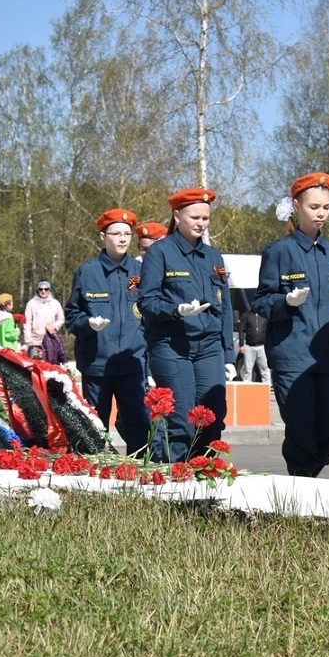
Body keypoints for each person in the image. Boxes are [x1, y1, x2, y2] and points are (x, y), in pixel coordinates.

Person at [253, 172, 329, 478]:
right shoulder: (279, 251)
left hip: (328, 358)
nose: (321, 212)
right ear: (297, 206)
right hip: (293, 358)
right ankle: (301, 494)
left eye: (326, 206)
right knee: (301, 436)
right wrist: (285, 303)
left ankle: (306, 477)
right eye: (314, 206)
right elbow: (261, 301)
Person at [138, 188, 235, 462]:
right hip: (172, 345)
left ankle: (202, 474)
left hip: (209, 347)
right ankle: (172, 479)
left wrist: (228, 354)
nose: (201, 223)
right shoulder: (160, 253)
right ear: (177, 216)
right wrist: (176, 310)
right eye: (195, 217)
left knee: (211, 417)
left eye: (205, 218)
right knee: (181, 419)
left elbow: (224, 307)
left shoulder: (213, 257)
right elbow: (146, 301)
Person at [63, 209, 155, 456]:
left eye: (127, 234)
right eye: (116, 233)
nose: (123, 239)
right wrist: (88, 324)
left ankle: (140, 477)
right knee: (93, 426)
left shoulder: (142, 270)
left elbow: (151, 316)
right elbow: (71, 316)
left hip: (133, 363)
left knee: (138, 425)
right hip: (97, 363)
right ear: (103, 237)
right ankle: (92, 475)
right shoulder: (87, 272)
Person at [23, 280, 65, 363]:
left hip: (50, 341)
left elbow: (61, 319)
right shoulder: (31, 304)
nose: (43, 291)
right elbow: (27, 322)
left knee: (50, 367)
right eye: (41, 289)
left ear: (49, 290)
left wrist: (54, 326)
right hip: (35, 342)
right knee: (35, 367)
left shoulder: (55, 303)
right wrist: (28, 340)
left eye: (46, 289)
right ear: (37, 290)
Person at [237, 309, 270, 384]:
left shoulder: (265, 315)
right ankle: (246, 385)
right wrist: (241, 344)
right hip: (249, 346)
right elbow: (241, 330)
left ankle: (267, 386)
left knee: (265, 368)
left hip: (263, 346)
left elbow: (270, 329)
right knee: (247, 369)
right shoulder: (246, 315)